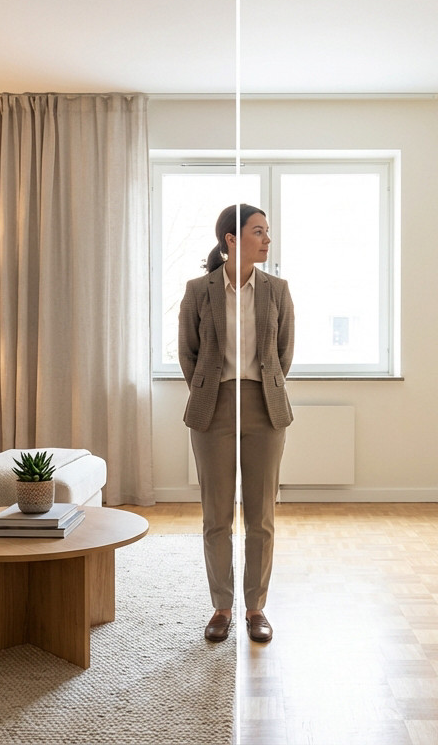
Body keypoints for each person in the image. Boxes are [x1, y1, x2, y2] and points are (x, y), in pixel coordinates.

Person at [178, 203, 295, 643]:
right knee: (217, 515)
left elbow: (283, 354)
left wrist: (262, 387)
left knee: (261, 515)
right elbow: (188, 353)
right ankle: (222, 608)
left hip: (265, 407)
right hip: (213, 407)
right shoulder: (198, 290)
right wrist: (210, 390)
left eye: (267, 232)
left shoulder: (277, 290)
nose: (266, 240)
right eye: (258, 231)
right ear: (231, 239)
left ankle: (256, 609)